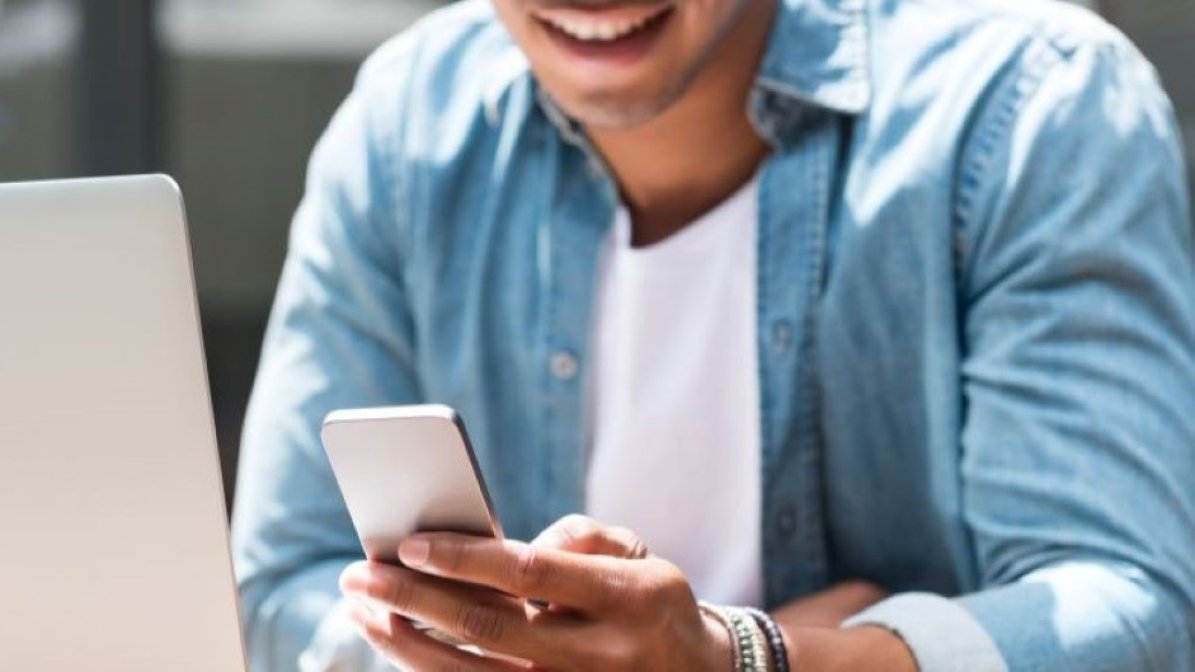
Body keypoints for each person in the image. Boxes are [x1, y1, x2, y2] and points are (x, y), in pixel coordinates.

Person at [230, 0, 1195, 667]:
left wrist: (745, 657)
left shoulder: (1030, 104)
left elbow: (1128, 616)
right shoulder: (406, 131)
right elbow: (280, 596)